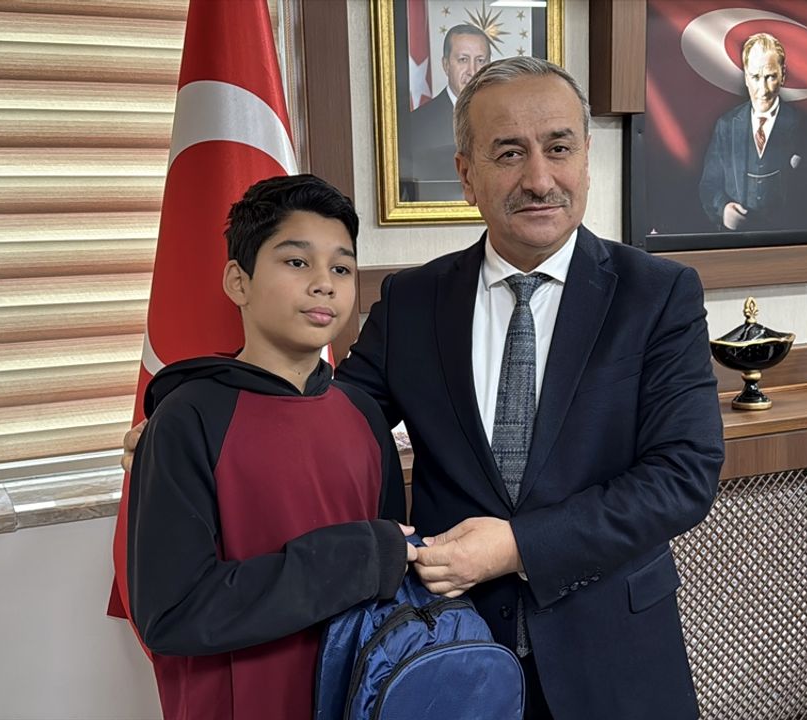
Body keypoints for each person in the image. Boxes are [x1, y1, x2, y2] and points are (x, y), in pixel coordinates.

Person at [125, 58, 723, 719]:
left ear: (586, 158)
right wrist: (189, 416)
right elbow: (323, 414)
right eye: (509, 153)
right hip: (446, 655)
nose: (539, 178)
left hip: (614, 653)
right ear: (466, 175)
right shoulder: (413, 301)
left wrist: (517, 546)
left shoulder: (658, 294)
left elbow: (683, 474)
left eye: (559, 148)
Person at [125, 174, 415, 720]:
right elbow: (172, 611)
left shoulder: (363, 414)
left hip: (357, 695)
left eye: (341, 268)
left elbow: (390, 571)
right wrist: (356, 558)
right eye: (297, 262)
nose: (324, 284)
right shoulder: (189, 418)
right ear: (239, 281)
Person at [698, 32, 807, 231]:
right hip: (736, 243)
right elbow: (709, 185)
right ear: (746, 77)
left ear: (783, 75)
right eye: (755, 77)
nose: (763, 90)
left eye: (770, 77)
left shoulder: (804, 126)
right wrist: (723, 209)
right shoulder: (726, 125)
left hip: (789, 241)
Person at [400, 24, 491, 200]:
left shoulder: (505, 118)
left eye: (480, 61)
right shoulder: (415, 124)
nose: (473, 71)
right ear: (446, 65)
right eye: (463, 60)